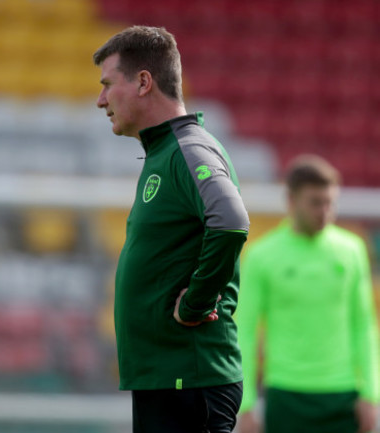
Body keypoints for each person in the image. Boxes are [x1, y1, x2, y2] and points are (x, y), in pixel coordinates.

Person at [93, 26, 250, 433]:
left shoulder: (188, 149)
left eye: (108, 85)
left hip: (189, 378)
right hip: (170, 378)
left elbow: (231, 222)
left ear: (144, 82)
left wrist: (196, 302)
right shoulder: (165, 151)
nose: (101, 100)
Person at [237, 155, 380, 433]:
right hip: (286, 394)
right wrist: (246, 404)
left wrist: (372, 393)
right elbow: (246, 331)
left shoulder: (352, 250)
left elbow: (363, 324)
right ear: (291, 201)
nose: (325, 211)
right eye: (316, 202)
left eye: (331, 203)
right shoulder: (261, 256)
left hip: (343, 394)